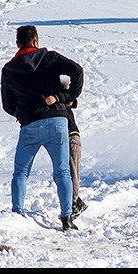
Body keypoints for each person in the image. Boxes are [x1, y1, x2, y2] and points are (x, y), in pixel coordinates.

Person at [1, 25, 83, 231]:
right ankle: (66, 218)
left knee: (21, 172)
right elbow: (77, 70)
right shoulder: (50, 58)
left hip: (30, 125)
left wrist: (24, 113)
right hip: (58, 121)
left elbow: (7, 105)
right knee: (63, 171)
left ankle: (17, 213)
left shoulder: (9, 69)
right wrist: (68, 97)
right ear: (36, 40)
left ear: (18, 43)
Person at [51, 75, 87, 219]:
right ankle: (76, 202)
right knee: (63, 174)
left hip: (71, 137)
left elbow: (71, 100)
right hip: (67, 138)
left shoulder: (62, 100)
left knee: (69, 174)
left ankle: (74, 204)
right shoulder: (64, 100)